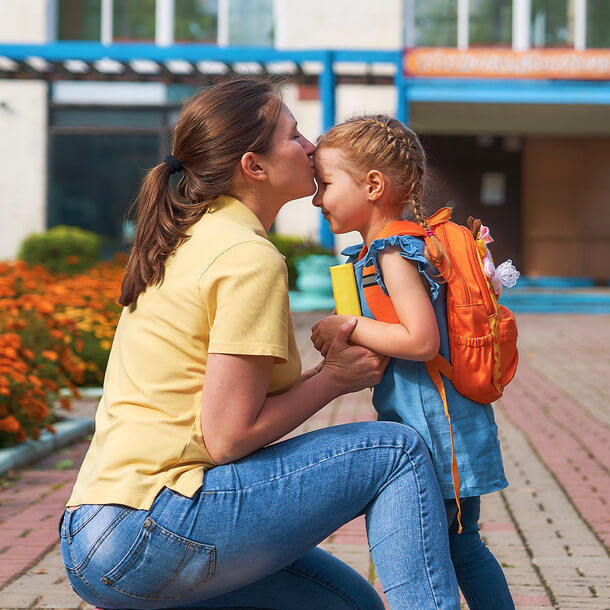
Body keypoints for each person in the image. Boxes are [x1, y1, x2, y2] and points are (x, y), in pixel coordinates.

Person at [59, 79, 460, 609]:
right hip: (150, 527)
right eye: (295, 136)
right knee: (396, 451)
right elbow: (227, 437)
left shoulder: (192, 237)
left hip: (95, 535)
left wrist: (331, 374)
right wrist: (335, 381)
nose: (312, 147)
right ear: (254, 166)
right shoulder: (246, 257)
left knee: (348, 603)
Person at [311, 115, 514, 610]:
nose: (317, 199)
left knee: (459, 546)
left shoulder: (393, 253)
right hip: (443, 428)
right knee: (462, 545)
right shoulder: (397, 246)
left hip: (438, 434)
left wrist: (347, 326)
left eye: (325, 184)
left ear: (373, 185)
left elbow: (420, 339)